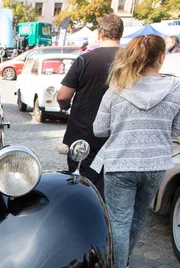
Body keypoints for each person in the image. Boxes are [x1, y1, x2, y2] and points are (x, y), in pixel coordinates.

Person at [90, 35, 180, 268]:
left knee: (118, 220)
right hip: (155, 165)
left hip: (121, 162)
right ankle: (123, 259)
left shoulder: (117, 89)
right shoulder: (175, 89)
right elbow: (177, 128)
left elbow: (99, 130)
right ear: (161, 57)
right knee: (138, 217)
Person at [57, 13, 124, 197]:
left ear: (99, 34)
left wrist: (64, 107)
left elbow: (63, 96)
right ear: (120, 34)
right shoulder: (132, 61)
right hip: (120, 135)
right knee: (115, 190)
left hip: (84, 136)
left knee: (82, 188)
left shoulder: (84, 60)